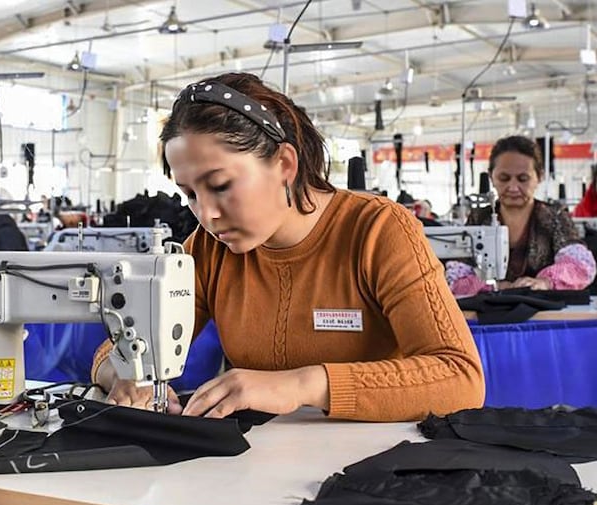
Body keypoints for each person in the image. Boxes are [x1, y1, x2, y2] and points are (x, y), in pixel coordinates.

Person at [91, 72, 485, 423]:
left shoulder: (378, 230)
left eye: (221, 185)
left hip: (374, 473)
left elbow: (460, 377)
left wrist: (302, 385)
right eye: (190, 194)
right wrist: (127, 376)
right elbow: (115, 353)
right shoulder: (209, 252)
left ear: (284, 164)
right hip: (256, 469)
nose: (206, 215)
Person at [446, 136, 596, 297]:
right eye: (504, 178)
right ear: (491, 176)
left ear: (539, 177)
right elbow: (455, 278)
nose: (512, 186)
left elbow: (581, 266)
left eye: (523, 179)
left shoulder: (555, 217)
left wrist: (545, 282)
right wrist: (491, 286)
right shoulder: (479, 219)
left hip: (544, 314)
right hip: (490, 312)